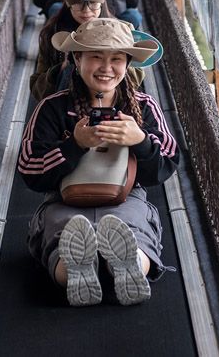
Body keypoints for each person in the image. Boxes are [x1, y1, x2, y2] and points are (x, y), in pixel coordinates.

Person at [17, 18, 178, 306]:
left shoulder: (141, 106)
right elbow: (29, 169)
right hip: (63, 201)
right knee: (64, 233)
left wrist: (139, 140)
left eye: (116, 59)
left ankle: (128, 264)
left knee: (133, 230)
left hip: (126, 199)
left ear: (128, 63)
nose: (106, 68)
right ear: (76, 59)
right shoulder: (52, 107)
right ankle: (80, 268)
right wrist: (74, 146)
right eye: (95, 57)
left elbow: (166, 163)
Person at [30, 0, 144, 101]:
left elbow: (137, 78)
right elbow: (36, 87)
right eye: (79, 4)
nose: (87, 10)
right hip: (66, 105)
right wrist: (58, 71)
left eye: (93, 3)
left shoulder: (121, 31)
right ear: (67, 0)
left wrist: (120, 63)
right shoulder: (52, 33)